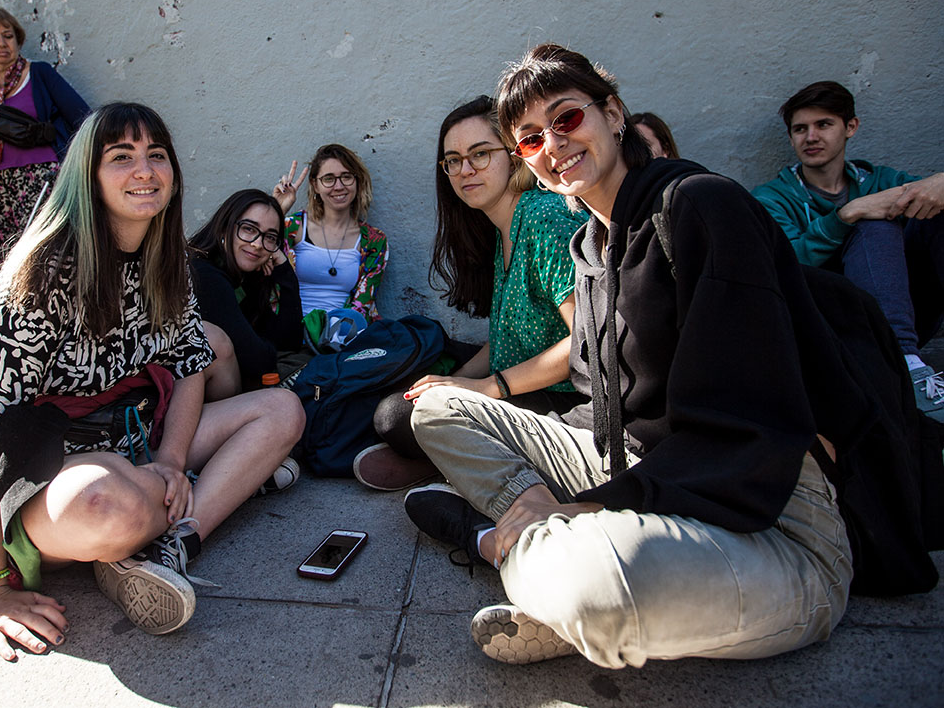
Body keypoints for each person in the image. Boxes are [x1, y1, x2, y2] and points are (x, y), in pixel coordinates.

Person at [405, 44, 865, 669]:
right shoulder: (591, 245)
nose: (553, 145)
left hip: (763, 516)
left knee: (598, 590)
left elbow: (748, 423)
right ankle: (547, 553)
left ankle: (506, 546)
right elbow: (605, 400)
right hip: (629, 465)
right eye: (531, 139)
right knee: (434, 409)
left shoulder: (700, 205)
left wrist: (586, 504)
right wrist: (541, 478)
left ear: (614, 113)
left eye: (567, 118)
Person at [0, 102, 304, 660]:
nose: (144, 170)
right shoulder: (42, 273)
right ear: (87, 175)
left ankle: (169, 546)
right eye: (121, 157)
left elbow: (191, 364)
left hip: (135, 439)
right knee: (105, 503)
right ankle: (178, 509)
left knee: (282, 409)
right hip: (48, 468)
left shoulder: (168, 263)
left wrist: (172, 460)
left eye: (156, 155)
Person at [353, 96, 586, 492]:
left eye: (480, 154)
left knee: (396, 418)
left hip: (568, 405)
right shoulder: (502, 229)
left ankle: (463, 468)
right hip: (521, 388)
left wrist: (485, 388)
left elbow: (586, 341)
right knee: (406, 400)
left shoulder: (543, 215)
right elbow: (505, 340)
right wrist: (450, 383)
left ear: (513, 155)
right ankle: (455, 460)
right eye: (453, 160)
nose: (465, 170)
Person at [751, 81, 943, 421]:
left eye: (823, 124)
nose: (811, 137)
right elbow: (788, 263)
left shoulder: (881, 181)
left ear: (850, 127)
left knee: (936, 213)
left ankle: (906, 361)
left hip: (903, 313)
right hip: (830, 326)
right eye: (800, 129)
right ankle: (906, 367)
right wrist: (845, 215)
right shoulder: (771, 198)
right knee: (874, 225)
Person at [0, 5, 90, 295]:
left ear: (18, 40)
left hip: (37, 180)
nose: (1, 43)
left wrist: (69, 169)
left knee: (46, 256)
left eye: (7, 35)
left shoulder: (39, 75)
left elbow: (83, 119)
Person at [189, 189, 304, 395]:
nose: (257, 244)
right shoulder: (204, 274)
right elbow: (258, 361)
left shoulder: (244, 276)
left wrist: (284, 269)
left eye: (270, 237)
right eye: (249, 229)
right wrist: (261, 347)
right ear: (224, 227)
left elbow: (289, 341)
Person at [272, 145, 388, 323]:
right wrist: (278, 211)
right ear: (315, 185)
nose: (339, 186)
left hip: (343, 331)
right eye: (329, 179)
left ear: (357, 181)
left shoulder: (374, 241)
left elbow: (363, 305)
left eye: (346, 177)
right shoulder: (291, 227)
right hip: (288, 327)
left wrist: (333, 333)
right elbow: (258, 257)